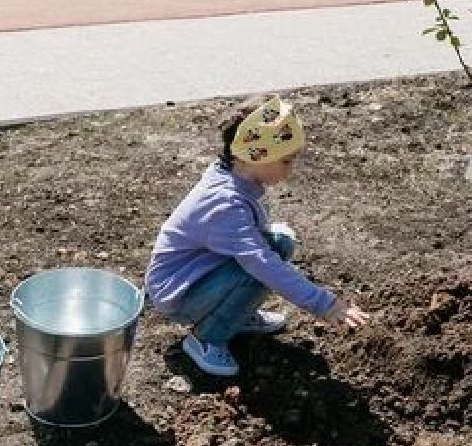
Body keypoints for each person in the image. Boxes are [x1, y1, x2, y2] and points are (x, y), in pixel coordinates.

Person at [146, 96, 369, 378]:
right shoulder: (225, 204)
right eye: (285, 161)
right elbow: (261, 263)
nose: (290, 170)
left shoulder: (232, 176)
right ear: (254, 156)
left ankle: (234, 315)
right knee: (261, 265)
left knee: (280, 241)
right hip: (179, 295)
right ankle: (206, 337)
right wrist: (324, 304)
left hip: (196, 277)